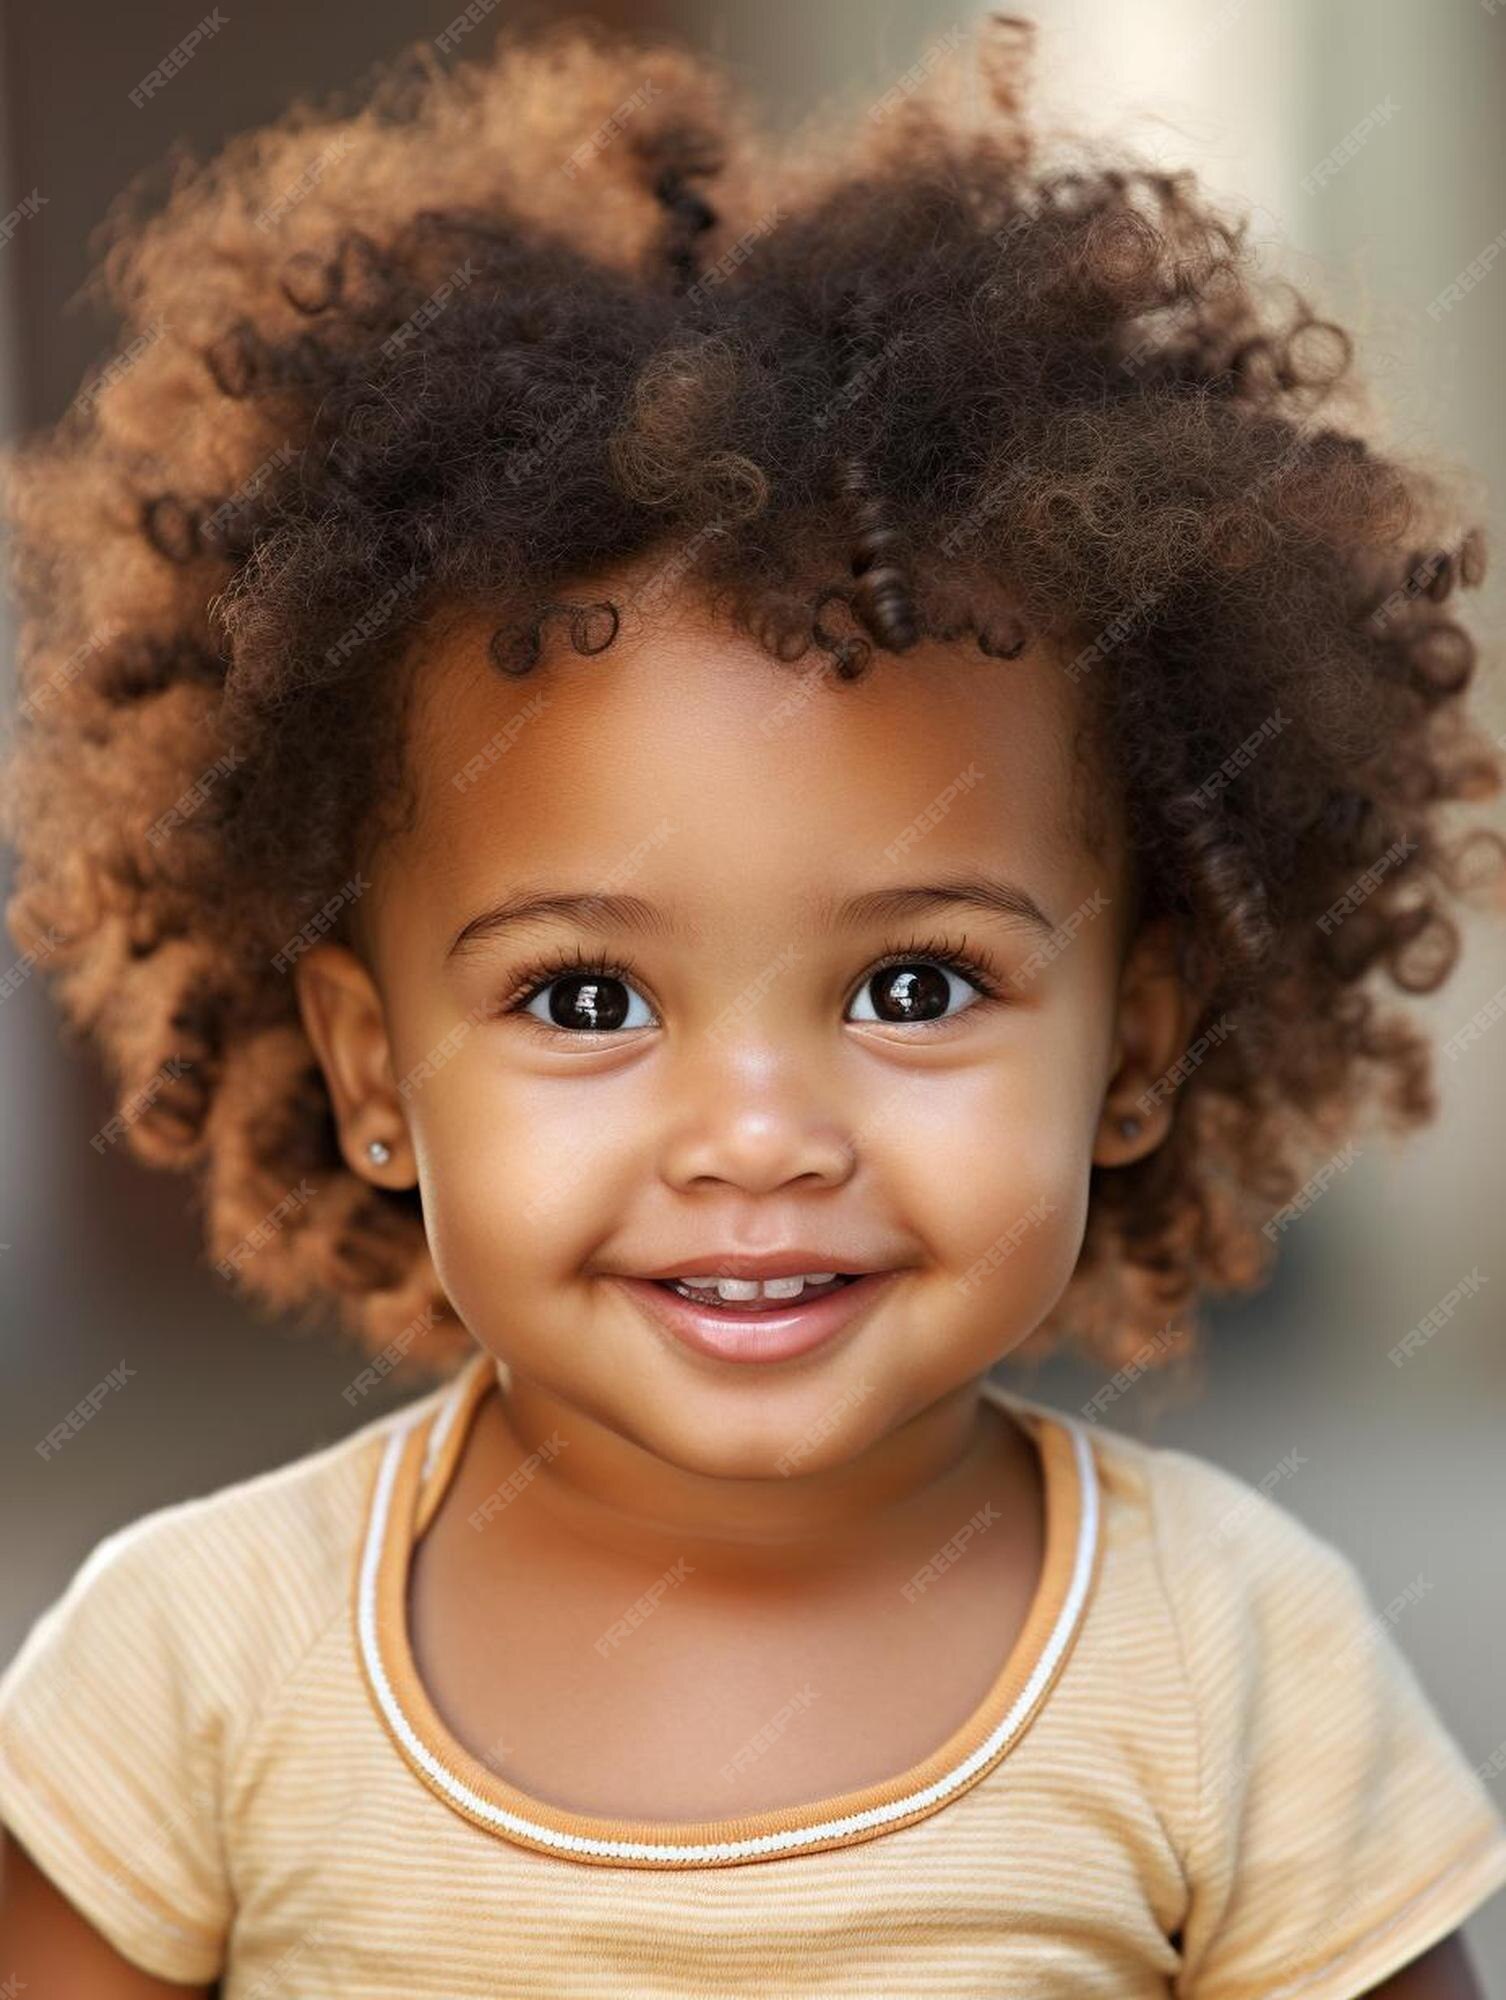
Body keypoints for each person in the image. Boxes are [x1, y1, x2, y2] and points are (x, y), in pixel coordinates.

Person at [1, 13, 1503, 1995]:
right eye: (588, 993)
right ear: (377, 1070)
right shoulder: (185, 1674)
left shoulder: (1238, 1668)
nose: (758, 1133)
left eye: (913, 980)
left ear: (1133, 1046)